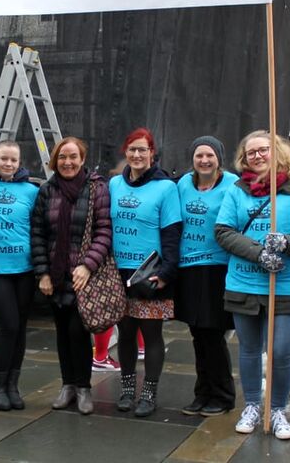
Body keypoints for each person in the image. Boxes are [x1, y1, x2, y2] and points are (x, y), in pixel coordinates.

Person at [215, 131, 290, 440]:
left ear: (277, 153)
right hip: (244, 281)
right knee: (248, 349)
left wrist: (286, 243)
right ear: (243, 159)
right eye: (251, 153)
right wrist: (259, 253)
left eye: (264, 150)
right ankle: (252, 405)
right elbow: (224, 231)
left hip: (283, 284)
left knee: (281, 350)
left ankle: (278, 409)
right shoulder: (236, 191)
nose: (258, 156)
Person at [32, 137, 111, 415]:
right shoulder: (47, 191)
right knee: (62, 332)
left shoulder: (96, 188)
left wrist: (88, 265)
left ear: (82, 159)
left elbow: (104, 230)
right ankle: (67, 385)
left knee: (78, 331)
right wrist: (42, 272)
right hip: (55, 274)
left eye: (73, 157)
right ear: (55, 160)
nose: (67, 162)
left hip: (83, 276)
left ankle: (83, 387)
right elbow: (38, 234)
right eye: (62, 157)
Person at [110, 128, 181, 417]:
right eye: (132, 150)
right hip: (118, 272)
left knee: (151, 335)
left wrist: (167, 272)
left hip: (150, 274)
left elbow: (173, 232)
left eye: (143, 150)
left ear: (152, 153)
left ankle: (148, 394)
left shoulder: (166, 188)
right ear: (124, 153)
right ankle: (127, 391)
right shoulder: (114, 184)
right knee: (125, 332)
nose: (137, 155)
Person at [175, 136, 238, 417]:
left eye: (210, 155)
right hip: (188, 267)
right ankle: (202, 393)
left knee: (214, 333)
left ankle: (223, 395)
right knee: (197, 333)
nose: (204, 160)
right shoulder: (183, 184)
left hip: (218, 267)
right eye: (199, 155)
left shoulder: (232, 184)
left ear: (219, 158)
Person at [0, 140, 39, 411]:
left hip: (24, 270)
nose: (9, 164)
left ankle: (13, 385)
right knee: (9, 326)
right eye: (4, 158)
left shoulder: (30, 191)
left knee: (21, 329)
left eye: (14, 160)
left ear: (20, 162)